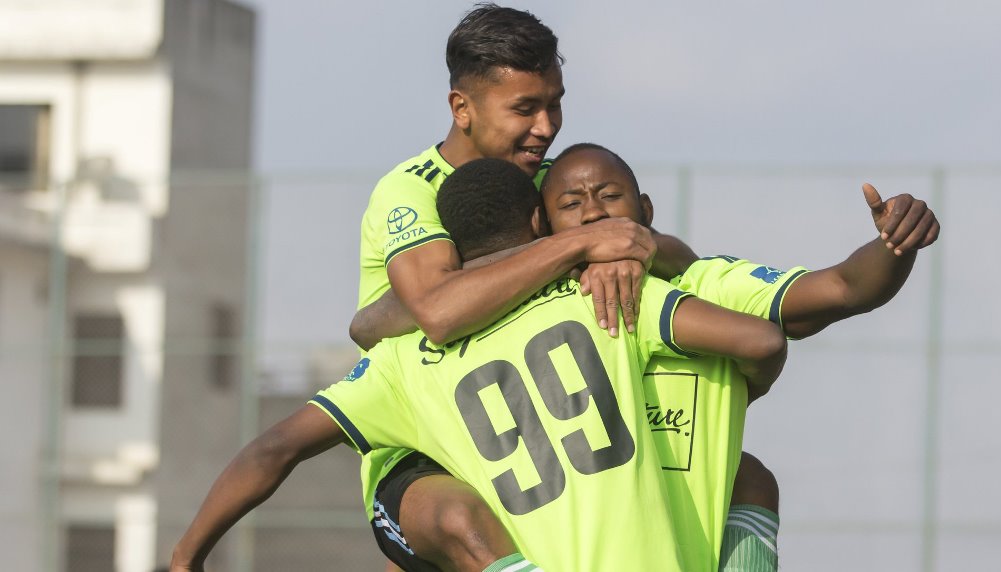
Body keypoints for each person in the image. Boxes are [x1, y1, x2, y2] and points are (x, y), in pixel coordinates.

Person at [170, 158, 789, 572]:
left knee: (443, 524)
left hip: (487, 531)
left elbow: (273, 449)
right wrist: (735, 396)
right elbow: (763, 340)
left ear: (448, 247)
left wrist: (187, 557)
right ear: (538, 222)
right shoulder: (606, 294)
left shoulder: (403, 358)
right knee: (749, 476)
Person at [354, 143, 939, 571]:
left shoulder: (696, 283)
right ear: (544, 228)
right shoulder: (525, 303)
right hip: (564, 537)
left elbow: (842, 288)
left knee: (750, 477)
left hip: (674, 535)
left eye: (610, 197)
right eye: (571, 205)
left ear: (647, 209)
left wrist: (895, 243)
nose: (593, 213)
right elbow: (381, 322)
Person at [353, 5, 696, 571]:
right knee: (461, 523)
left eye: (554, 103)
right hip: (430, 451)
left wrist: (628, 252)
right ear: (461, 108)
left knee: (743, 475)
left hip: (548, 433)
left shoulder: (557, 180)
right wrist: (578, 246)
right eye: (524, 108)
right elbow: (439, 311)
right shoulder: (410, 191)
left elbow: (658, 249)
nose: (546, 125)